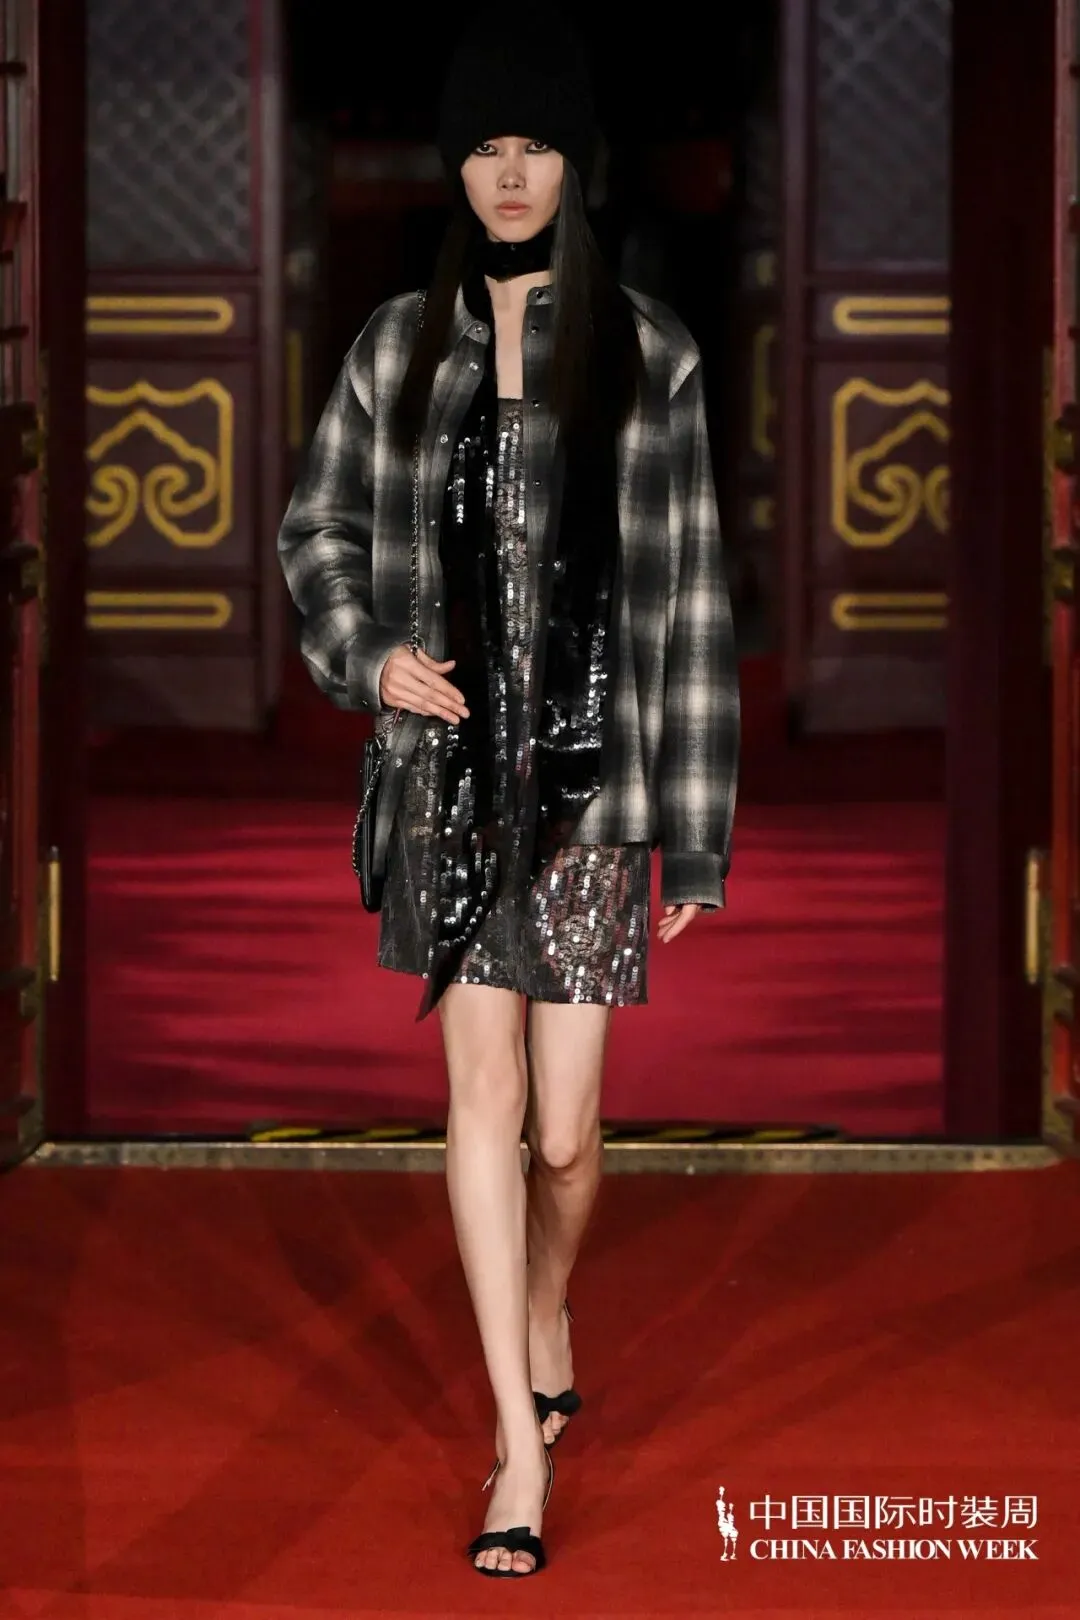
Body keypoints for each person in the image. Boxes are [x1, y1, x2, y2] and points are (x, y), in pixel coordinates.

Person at [277, 9, 739, 1580]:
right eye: (485, 147)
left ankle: (548, 1299)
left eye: (535, 143)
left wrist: (697, 829)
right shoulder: (398, 349)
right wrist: (372, 656)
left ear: (575, 163)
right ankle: (516, 1448)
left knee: (568, 1137)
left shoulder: (651, 352)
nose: (511, 171)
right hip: (450, 782)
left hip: (598, 790)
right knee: (479, 1103)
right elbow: (316, 532)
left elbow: (689, 598)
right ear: (457, 169)